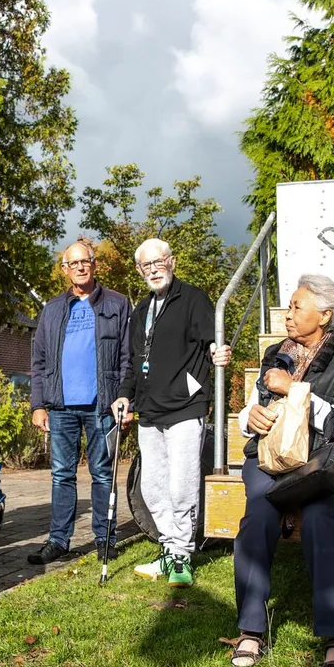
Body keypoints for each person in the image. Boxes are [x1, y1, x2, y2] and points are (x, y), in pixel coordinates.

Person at [229, 276, 334, 667]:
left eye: (296, 307)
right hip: (271, 459)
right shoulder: (277, 353)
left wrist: (295, 390)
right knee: (258, 519)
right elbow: (251, 409)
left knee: (322, 521)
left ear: (324, 315)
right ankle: (250, 630)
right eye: (288, 307)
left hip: (322, 464)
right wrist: (247, 418)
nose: (287, 314)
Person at [111, 238, 230, 587]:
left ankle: (181, 555)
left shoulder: (193, 298)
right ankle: (168, 547)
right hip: (150, 410)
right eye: (146, 265)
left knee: (181, 486)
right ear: (139, 270)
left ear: (172, 261)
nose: (153, 269)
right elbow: (133, 364)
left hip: (185, 406)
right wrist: (123, 397)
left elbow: (214, 341)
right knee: (152, 487)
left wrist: (218, 353)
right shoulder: (140, 312)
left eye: (158, 261)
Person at [27, 241, 131, 565]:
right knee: (62, 475)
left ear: (94, 264)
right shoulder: (53, 309)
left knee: (101, 473)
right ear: (65, 269)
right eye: (74, 263)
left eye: (85, 261)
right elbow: (39, 360)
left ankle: (105, 538)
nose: (80, 267)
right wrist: (38, 404)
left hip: (103, 404)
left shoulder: (117, 303)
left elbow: (128, 356)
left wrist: (125, 397)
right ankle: (59, 541)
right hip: (60, 405)